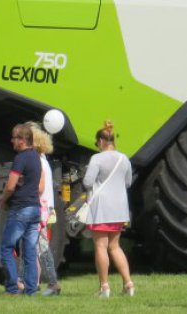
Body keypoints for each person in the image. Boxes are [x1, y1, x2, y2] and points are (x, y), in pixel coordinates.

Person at [82, 120, 133, 298]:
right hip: (119, 207)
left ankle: (104, 286)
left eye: (97, 143)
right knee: (115, 246)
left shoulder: (96, 158)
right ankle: (128, 283)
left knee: (101, 246)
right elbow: (128, 182)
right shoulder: (124, 158)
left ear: (101, 142)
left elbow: (87, 182)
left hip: (102, 207)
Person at [0, 123, 44, 296]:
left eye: (14, 138)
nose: (12, 141)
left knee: (6, 248)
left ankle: (12, 288)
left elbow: (10, 185)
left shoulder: (21, 158)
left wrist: (3, 200)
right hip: (35, 208)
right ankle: (31, 290)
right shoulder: (36, 157)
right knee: (30, 252)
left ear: (23, 139)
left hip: (20, 209)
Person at [28, 121, 61, 296]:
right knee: (37, 247)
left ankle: (53, 284)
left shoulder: (37, 162)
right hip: (45, 208)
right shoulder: (43, 161)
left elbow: (39, 187)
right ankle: (33, 283)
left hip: (38, 208)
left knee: (40, 247)